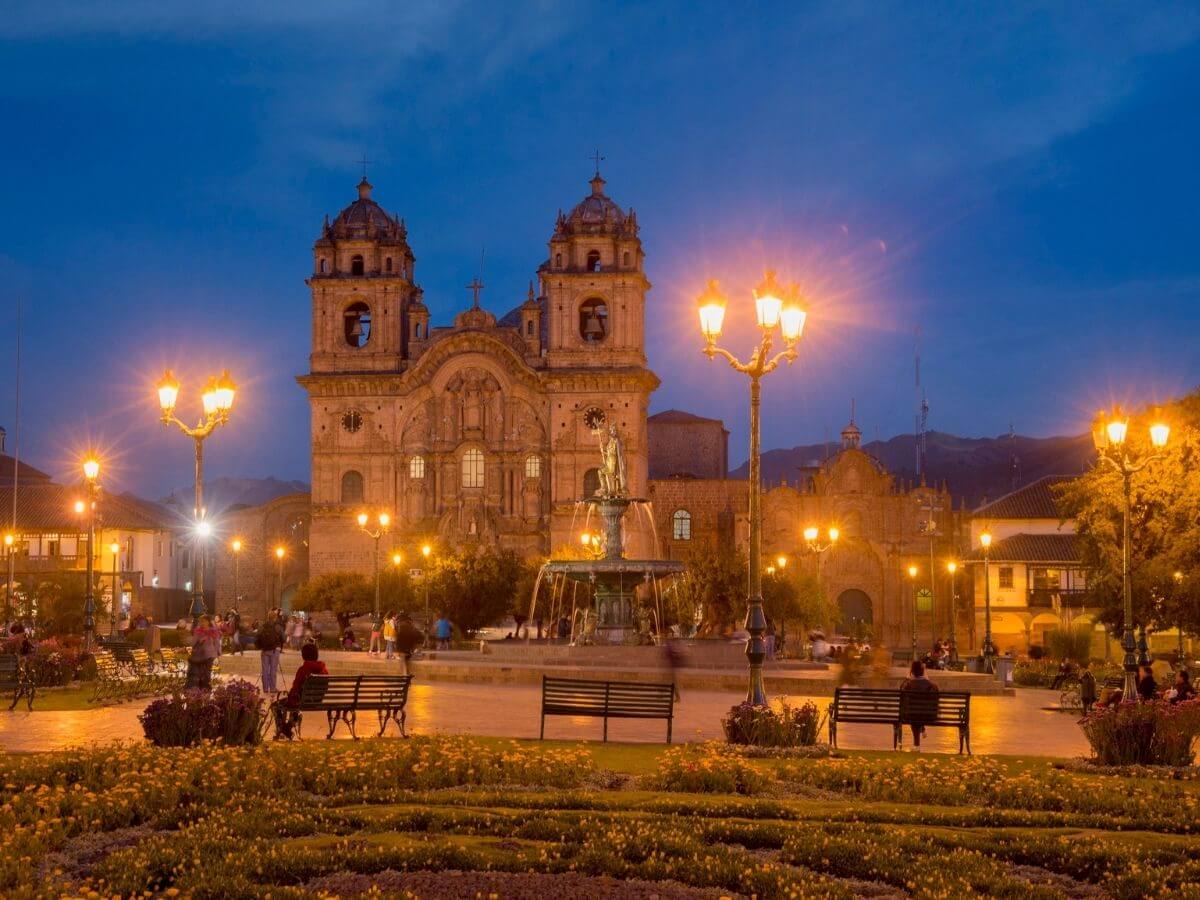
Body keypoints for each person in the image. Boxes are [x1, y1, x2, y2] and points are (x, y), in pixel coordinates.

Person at [272, 642, 329, 740]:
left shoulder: (303, 669)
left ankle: (283, 729)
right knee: (297, 701)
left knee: (275, 705)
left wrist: (290, 694)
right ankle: (287, 727)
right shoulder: (324, 670)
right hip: (317, 700)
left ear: (304, 655)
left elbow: (295, 687)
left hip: (301, 701)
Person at [900, 659, 939, 749]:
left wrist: (907, 678)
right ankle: (920, 734)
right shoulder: (932, 685)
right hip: (930, 716)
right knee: (919, 712)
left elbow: (901, 694)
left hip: (912, 715)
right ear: (923, 671)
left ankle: (916, 745)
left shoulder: (908, 685)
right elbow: (935, 702)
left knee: (914, 713)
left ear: (912, 672)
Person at [186, 615, 223, 690]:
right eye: (201, 621)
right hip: (199, 656)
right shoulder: (198, 630)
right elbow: (193, 643)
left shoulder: (213, 631)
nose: (202, 623)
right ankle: (200, 689)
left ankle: (206, 688)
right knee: (199, 673)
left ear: (208, 622)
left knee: (207, 673)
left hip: (209, 655)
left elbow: (217, 643)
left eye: (204, 621)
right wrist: (198, 640)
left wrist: (217, 653)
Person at [256, 616, 281, 693]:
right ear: (274, 618)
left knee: (265, 670)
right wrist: (279, 646)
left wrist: (261, 646)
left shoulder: (262, 626)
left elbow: (257, 637)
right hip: (274, 650)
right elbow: (283, 637)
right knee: (273, 670)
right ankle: (273, 688)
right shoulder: (277, 626)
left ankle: (265, 688)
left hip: (264, 651)